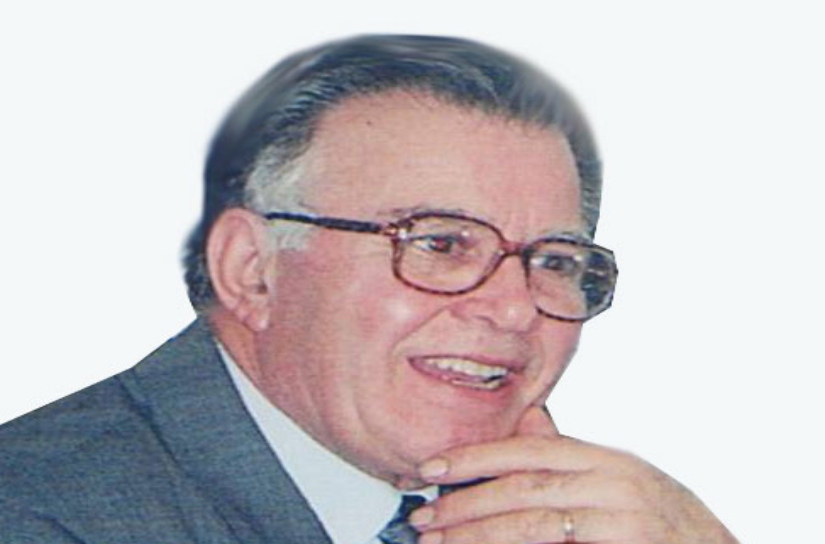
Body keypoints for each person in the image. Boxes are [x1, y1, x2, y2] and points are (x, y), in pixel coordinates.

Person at [0, 34, 738, 543]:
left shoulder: (548, 515)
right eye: (440, 243)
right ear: (252, 270)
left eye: (552, 261)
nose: (515, 310)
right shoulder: (40, 514)